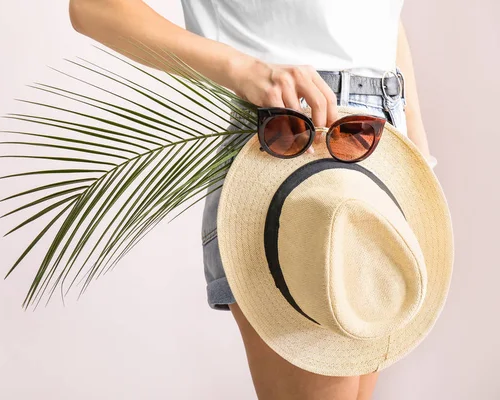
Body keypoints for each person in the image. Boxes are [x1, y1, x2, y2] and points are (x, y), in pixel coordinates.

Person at [68, 1, 437, 398]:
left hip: (382, 142)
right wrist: (243, 69)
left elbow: (377, 22)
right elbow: (93, 7)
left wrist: (419, 155)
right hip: (290, 134)